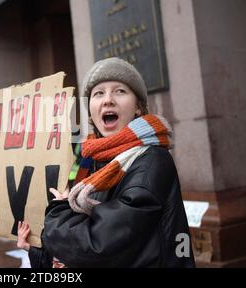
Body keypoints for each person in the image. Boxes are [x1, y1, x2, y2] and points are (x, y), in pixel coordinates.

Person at [40, 57, 195, 267]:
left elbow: (100, 244)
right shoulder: (92, 161)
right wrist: (41, 254)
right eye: (98, 93)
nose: (108, 100)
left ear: (138, 107)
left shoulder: (151, 160)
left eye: (120, 91)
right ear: (91, 112)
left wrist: (58, 212)